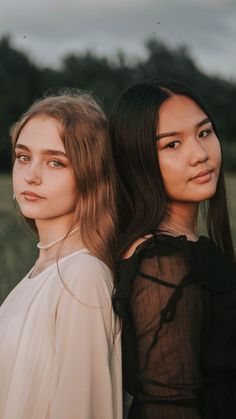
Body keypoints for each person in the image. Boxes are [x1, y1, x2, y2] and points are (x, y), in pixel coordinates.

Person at [109, 80, 236, 419]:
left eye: (204, 133)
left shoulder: (187, 249)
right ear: (137, 160)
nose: (199, 154)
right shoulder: (161, 263)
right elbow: (169, 406)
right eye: (172, 144)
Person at [0, 91, 122, 419]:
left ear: (91, 174)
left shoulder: (83, 276)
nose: (32, 175)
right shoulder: (40, 271)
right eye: (23, 156)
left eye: (56, 161)